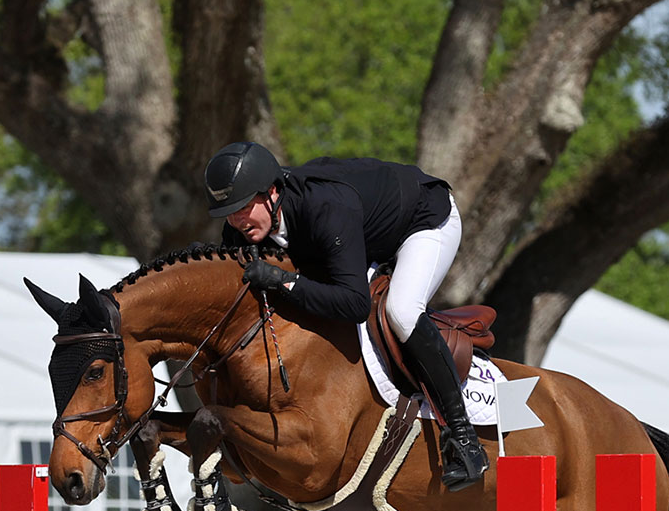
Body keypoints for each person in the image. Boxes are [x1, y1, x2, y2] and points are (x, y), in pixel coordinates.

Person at [203, 141, 489, 491]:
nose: (237, 221)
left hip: (423, 220)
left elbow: (354, 304)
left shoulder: (325, 208)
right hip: (361, 234)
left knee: (401, 311)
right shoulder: (242, 227)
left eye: (244, 207)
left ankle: (464, 439)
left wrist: (283, 281)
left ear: (272, 193)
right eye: (229, 212)